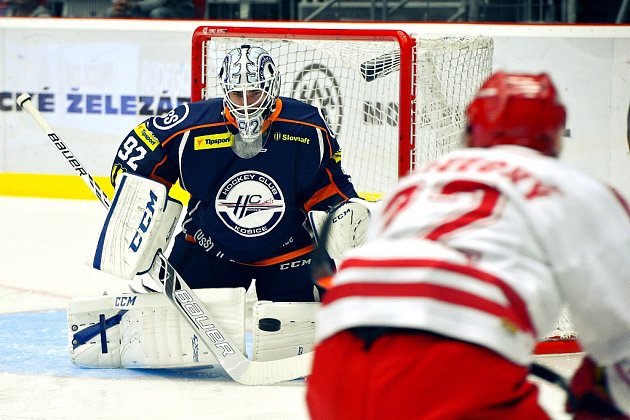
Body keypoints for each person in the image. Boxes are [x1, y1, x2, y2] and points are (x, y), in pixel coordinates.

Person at [306, 71, 630, 419]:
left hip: (335, 361)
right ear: (555, 136)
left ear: (471, 129)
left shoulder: (417, 183)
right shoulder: (579, 189)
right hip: (454, 369)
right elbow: (621, 329)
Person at [102, 45, 361, 303]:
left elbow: (326, 185)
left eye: (255, 93)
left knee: (307, 336)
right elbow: (135, 161)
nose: (247, 103)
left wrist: (347, 211)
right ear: (226, 90)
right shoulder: (191, 126)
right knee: (182, 337)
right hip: (209, 248)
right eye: (238, 94)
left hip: (291, 251)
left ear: (271, 88)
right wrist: (132, 203)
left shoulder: (308, 125)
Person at [106, 0, 196, 19]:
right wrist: (120, 3)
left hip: (179, 9)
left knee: (157, 13)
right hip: (142, 7)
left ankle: (161, 44)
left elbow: (161, 1)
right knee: (112, 13)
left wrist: (132, 6)